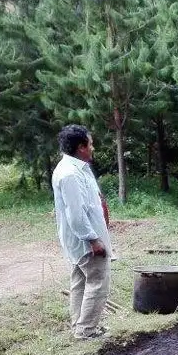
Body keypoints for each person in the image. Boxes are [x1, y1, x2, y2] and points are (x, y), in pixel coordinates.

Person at [52, 124, 115, 340]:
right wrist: (93, 239)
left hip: (80, 240)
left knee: (80, 282)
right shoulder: (70, 174)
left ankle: (79, 327)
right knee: (98, 283)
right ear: (81, 147)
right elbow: (76, 215)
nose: (93, 147)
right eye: (91, 143)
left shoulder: (77, 168)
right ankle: (87, 331)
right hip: (85, 241)